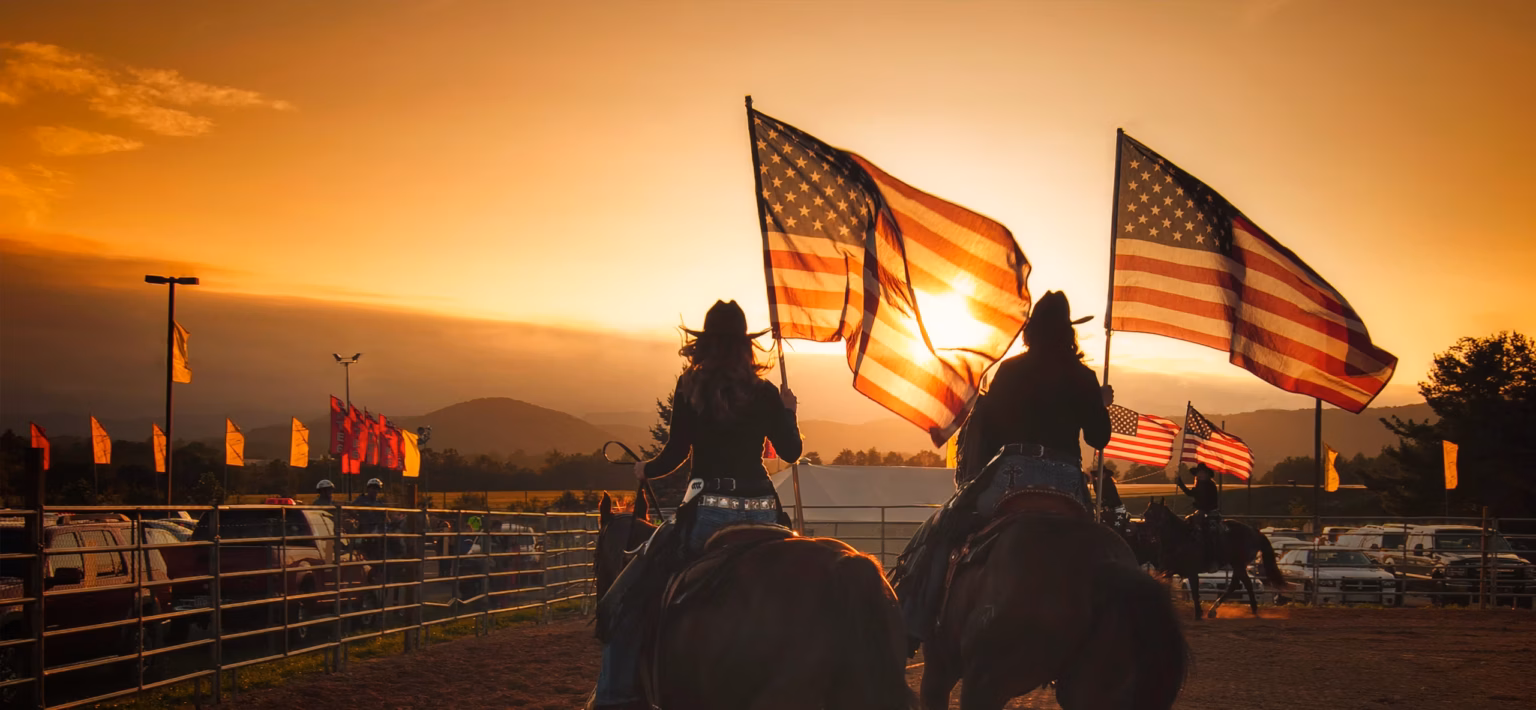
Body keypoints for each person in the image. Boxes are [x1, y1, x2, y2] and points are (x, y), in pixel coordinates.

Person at [591, 299, 801, 710]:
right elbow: (791, 452)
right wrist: (789, 413)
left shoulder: (690, 388)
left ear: (703, 344)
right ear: (746, 345)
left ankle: (614, 696)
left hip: (708, 512)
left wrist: (644, 470)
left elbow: (675, 454)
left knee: (627, 596)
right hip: (765, 513)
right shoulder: (765, 393)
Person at [890, 290, 1113, 652]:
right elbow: (1099, 438)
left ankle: (914, 621)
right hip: (1069, 485)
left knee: (944, 529)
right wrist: (1100, 404)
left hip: (1014, 477)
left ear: (1031, 331)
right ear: (1068, 333)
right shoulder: (1084, 376)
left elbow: (988, 433)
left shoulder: (1009, 371)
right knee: (1101, 552)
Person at [1176, 463, 1222, 564]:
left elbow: (1208, 501)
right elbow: (1190, 494)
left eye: (1202, 473)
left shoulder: (1210, 485)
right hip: (1201, 511)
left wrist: (1200, 506)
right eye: (1199, 473)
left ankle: (1210, 555)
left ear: (1207, 474)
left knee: (1207, 531)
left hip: (1210, 513)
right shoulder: (1200, 485)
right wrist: (1181, 484)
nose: (1200, 475)